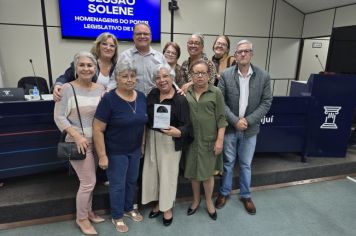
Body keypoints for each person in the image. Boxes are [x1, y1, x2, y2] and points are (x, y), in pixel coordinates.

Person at [215, 39, 273, 215]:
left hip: (250, 129)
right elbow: (221, 102)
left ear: (251, 54)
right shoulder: (226, 75)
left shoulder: (263, 76)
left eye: (246, 51)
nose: (242, 54)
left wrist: (248, 120)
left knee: (246, 164)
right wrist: (235, 121)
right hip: (231, 129)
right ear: (235, 54)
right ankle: (224, 193)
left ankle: (246, 195)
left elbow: (266, 102)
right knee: (228, 163)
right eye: (239, 51)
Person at [54, 51, 106, 235]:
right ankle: (81, 219)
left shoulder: (101, 89)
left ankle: (89, 212)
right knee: (88, 182)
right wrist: (77, 136)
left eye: (90, 65)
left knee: (90, 181)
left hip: (97, 142)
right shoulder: (67, 88)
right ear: (75, 68)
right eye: (82, 65)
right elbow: (59, 117)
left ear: (95, 68)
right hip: (78, 143)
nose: (86, 68)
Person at [92, 61, 147, 233]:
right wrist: (102, 155)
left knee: (132, 181)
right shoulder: (109, 99)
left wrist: (143, 143)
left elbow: (143, 123)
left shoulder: (141, 96)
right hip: (115, 151)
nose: (129, 80)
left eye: (132, 76)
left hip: (135, 149)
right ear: (116, 78)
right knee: (117, 184)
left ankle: (129, 208)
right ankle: (117, 216)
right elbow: (97, 128)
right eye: (124, 76)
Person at [141, 64, 192, 226]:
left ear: (172, 78)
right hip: (152, 138)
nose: (162, 80)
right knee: (153, 173)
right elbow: (146, 117)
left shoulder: (180, 99)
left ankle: (167, 207)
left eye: (165, 76)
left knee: (167, 175)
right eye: (158, 77)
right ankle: (158, 203)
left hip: (169, 141)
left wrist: (179, 132)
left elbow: (187, 126)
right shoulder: (153, 94)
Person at [184, 60, 227, 221]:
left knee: (208, 174)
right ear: (191, 75)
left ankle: (209, 201)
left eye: (203, 73)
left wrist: (219, 141)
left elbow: (222, 119)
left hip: (210, 141)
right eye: (196, 73)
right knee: (194, 174)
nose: (200, 76)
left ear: (209, 75)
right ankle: (196, 201)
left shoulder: (216, 92)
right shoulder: (186, 91)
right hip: (191, 142)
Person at [53, 32, 119, 101]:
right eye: (104, 44)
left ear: (115, 49)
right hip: (86, 103)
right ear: (98, 46)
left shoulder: (118, 66)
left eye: (112, 45)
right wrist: (58, 85)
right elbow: (65, 77)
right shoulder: (87, 62)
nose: (108, 48)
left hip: (110, 104)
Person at [118, 23, 167, 96]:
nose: (142, 36)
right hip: (131, 100)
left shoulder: (160, 57)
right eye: (138, 34)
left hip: (155, 100)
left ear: (151, 36)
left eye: (145, 34)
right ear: (133, 37)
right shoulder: (124, 56)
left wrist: (176, 89)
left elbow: (168, 78)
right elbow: (115, 80)